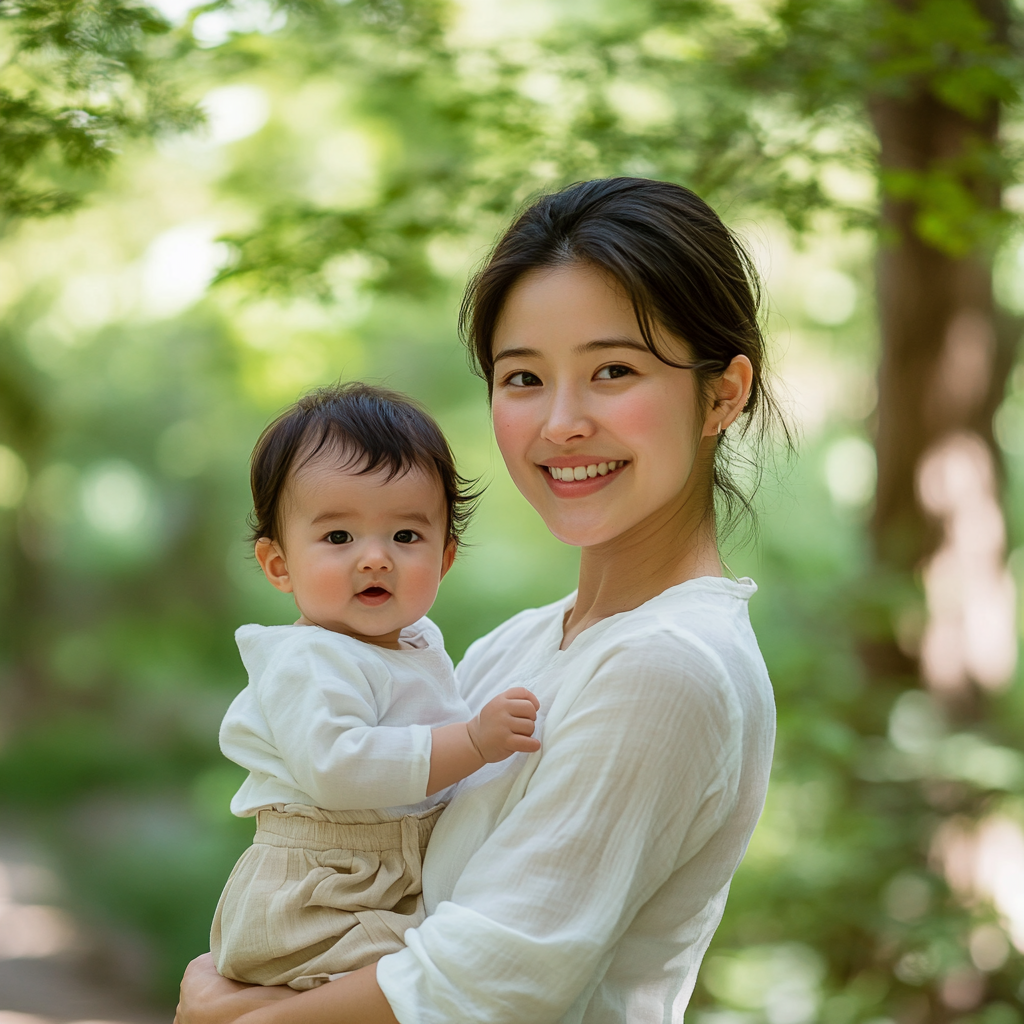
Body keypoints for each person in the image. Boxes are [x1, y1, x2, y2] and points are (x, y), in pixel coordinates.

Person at [176, 176, 782, 1024]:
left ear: (722, 392)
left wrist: (222, 1015)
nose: (561, 423)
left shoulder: (664, 667)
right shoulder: (520, 647)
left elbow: (485, 982)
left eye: (613, 369)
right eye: (524, 377)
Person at [211, 383, 541, 990]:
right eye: (338, 538)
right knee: (445, 974)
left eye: (406, 537)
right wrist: (472, 741)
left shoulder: (418, 642)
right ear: (279, 564)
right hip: (319, 892)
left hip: (378, 876)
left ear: (444, 557)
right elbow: (338, 766)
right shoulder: (308, 658)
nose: (374, 558)